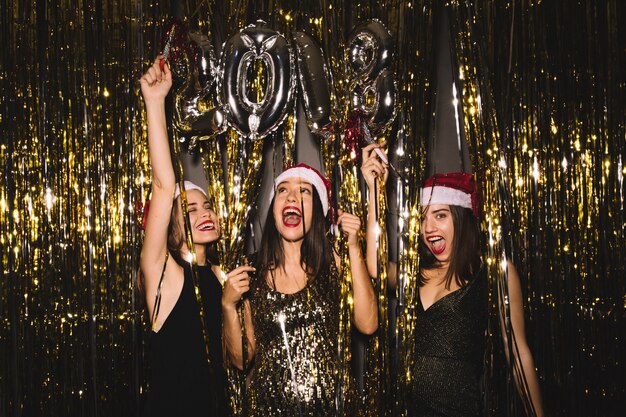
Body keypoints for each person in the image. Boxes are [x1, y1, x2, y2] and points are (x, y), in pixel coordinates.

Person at [360, 147, 545, 416]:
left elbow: (518, 355)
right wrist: (375, 192)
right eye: (423, 217)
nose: (428, 228)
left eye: (440, 215)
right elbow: (375, 267)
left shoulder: (497, 273)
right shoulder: (416, 272)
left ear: (462, 218)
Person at [222, 163, 378, 416]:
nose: (292, 196)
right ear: (273, 210)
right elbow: (241, 360)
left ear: (318, 210)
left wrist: (353, 247)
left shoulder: (335, 261)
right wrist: (228, 305)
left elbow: (368, 324)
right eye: (282, 190)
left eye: (304, 191)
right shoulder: (250, 270)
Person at [139, 56, 243, 416]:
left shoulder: (220, 276)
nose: (206, 213)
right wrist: (155, 102)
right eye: (192, 209)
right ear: (171, 224)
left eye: (208, 206)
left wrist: (231, 305)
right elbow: (164, 186)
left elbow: (240, 362)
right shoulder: (162, 273)